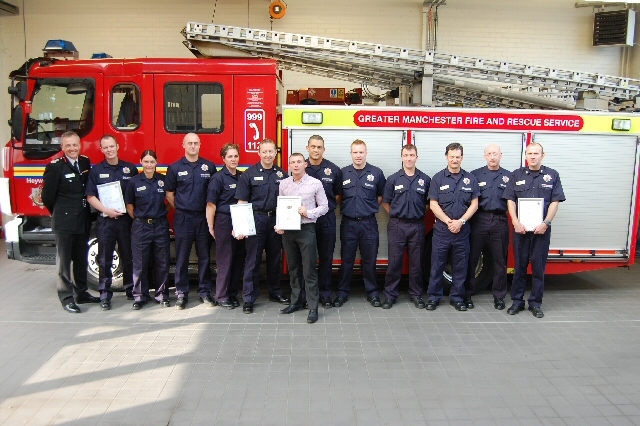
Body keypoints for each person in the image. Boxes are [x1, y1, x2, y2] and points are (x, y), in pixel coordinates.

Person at [503, 142, 565, 318]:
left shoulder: (552, 175)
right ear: (526, 156)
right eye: (529, 153)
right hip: (520, 230)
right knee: (519, 267)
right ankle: (517, 302)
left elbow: (555, 201)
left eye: (536, 153)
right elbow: (510, 200)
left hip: (541, 231)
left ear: (542, 156)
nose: (532, 156)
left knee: (538, 268)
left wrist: (546, 223)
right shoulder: (516, 175)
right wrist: (515, 221)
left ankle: (536, 303)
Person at [42, 131, 100, 313]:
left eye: (75, 145)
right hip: (64, 222)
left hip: (82, 219)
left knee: (81, 259)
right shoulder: (55, 167)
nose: (72, 148)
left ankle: (81, 293)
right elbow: (47, 197)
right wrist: (60, 213)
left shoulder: (84, 162)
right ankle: (66, 298)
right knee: (64, 263)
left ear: (80, 145)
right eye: (68, 145)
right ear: (62, 147)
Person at [235, 139, 290, 314]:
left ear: (275, 153)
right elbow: (242, 201)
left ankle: (275, 292)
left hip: (275, 221)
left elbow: (287, 201)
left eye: (270, 152)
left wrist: (284, 223)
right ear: (259, 153)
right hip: (255, 219)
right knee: (252, 260)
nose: (267, 155)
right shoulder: (248, 174)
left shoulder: (282, 175)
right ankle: (249, 298)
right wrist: (240, 226)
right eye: (264, 152)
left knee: (274, 260)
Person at [85, 134, 138, 310]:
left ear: (118, 147)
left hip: (125, 222)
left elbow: (136, 195)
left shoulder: (130, 169)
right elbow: (91, 196)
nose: (109, 150)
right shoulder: (97, 170)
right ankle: (105, 295)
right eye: (105, 147)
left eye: (111, 146)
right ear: (101, 150)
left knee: (129, 257)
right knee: (105, 259)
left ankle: (131, 290)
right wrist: (106, 210)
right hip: (106, 221)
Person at [164, 133, 216, 310]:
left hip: (203, 217)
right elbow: (169, 194)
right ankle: (181, 294)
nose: (193, 146)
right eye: (190, 143)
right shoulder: (175, 167)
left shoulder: (208, 167)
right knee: (182, 257)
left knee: (204, 256)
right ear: (183, 145)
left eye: (196, 143)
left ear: (200, 145)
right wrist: (180, 207)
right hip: (183, 218)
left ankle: (205, 292)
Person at [426, 142, 479, 312]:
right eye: (452, 157)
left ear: (462, 158)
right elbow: (433, 204)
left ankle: (457, 298)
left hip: (462, 231)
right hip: (442, 230)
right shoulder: (438, 178)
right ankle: (433, 297)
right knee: (437, 265)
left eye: (458, 157)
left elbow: (474, 204)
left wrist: (460, 222)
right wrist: (449, 222)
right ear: (446, 157)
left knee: (460, 266)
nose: (455, 160)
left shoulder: (470, 179)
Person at [276, 153, 329, 323]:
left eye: (299, 162)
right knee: (293, 269)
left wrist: (309, 212)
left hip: (307, 230)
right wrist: (280, 224)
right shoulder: (284, 184)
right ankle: (296, 301)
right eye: (292, 162)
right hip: (289, 231)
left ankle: (313, 308)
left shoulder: (315, 183)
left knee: (309, 270)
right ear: (289, 165)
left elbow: (325, 207)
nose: (296, 165)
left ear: (305, 164)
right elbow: (281, 207)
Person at [335, 139, 386, 307]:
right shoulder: (342, 173)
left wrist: (366, 208)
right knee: (347, 259)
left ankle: (372, 293)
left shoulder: (376, 173)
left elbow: (380, 196)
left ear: (366, 153)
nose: (358, 155)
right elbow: (339, 197)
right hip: (348, 223)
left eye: (361, 152)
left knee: (370, 260)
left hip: (368, 223)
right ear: (351, 154)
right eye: (355, 152)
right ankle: (342, 292)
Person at [381, 144, 431, 309]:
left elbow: (429, 203)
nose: (409, 158)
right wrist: (396, 215)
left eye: (412, 155)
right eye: (406, 155)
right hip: (397, 225)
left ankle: (416, 295)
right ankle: (390, 295)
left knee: (416, 263)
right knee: (394, 262)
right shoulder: (393, 179)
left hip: (417, 225)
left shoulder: (425, 179)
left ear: (417, 157)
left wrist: (415, 214)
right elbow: (385, 202)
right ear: (401, 157)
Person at [465, 144, 511, 310]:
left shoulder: (509, 177)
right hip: (479, 220)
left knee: (500, 261)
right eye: (489, 154)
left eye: (495, 154)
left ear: (501, 155)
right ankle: (467, 294)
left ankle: (499, 297)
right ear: (485, 156)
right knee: (472, 258)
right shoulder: (475, 175)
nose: (493, 157)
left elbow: (514, 201)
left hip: (500, 220)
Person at [124, 150, 171, 309]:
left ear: (156, 162)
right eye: (146, 162)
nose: (149, 165)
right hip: (141, 225)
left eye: (152, 162)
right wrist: (140, 218)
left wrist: (163, 213)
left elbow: (171, 200)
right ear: (141, 162)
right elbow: (129, 206)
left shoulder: (163, 181)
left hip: (160, 225)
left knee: (162, 262)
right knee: (139, 263)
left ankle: (162, 295)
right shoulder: (134, 182)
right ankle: (140, 296)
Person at [304, 135, 342, 309]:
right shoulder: (300, 167)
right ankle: (308, 295)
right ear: (308, 148)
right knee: (308, 259)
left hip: (326, 219)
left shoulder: (333, 170)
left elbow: (337, 195)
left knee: (326, 257)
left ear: (323, 149)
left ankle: (326, 293)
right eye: (313, 146)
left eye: (319, 147)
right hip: (306, 220)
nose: (316, 150)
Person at [206, 143, 245, 309]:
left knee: (237, 260)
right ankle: (221, 295)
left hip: (240, 220)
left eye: (236, 156)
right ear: (223, 159)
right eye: (230, 156)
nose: (233, 159)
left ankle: (232, 294)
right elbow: (211, 205)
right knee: (225, 260)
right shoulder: (218, 178)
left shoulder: (242, 177)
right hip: (224, 221)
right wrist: (211, 226)